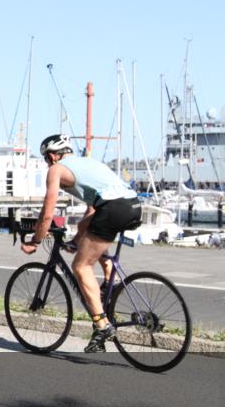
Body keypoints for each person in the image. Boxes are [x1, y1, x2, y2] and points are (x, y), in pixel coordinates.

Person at [20, 134, 142, 353]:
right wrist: (76, 240)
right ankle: (108, 286)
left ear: (52, 156)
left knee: (80, 266)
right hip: (133, 205)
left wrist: (36, 240)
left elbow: (48, 213)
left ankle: (102, 324)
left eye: (46, 159)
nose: (48, 164)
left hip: (112, 209)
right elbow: (92, 210)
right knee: (89, 246)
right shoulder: (88, 163)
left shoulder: (56, 170)